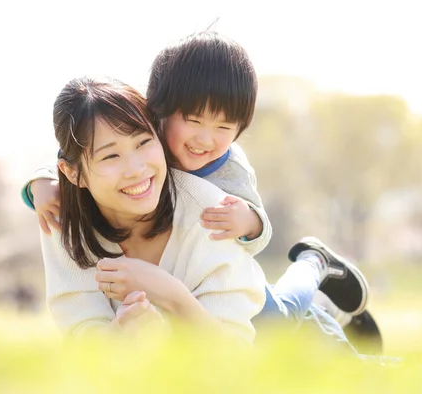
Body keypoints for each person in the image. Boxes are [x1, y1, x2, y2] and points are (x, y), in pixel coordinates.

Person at [22, 31, 371, 332]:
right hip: (202, 296)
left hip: (236, 282)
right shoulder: (139, 133)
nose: (205, 140)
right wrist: (39, 184)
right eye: (193, 121)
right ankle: (324, 314)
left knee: (280, 319)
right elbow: (84, 143)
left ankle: (314, 265)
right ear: (157, 111)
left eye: (224, 129)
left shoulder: (228, 173)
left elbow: (259, 231)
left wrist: (246, 220)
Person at [41, 76, 266, 344]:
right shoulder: (61, 219)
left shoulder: (213, 214)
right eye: (111, 156)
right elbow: (81, 341)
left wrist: (168, 293)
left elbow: (236, 354)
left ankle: (314, 268)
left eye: (143, 143)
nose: (136, 169)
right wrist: (119, 337)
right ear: (73, 173)